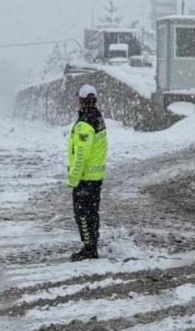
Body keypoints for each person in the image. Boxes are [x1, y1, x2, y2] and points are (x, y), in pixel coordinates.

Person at [67, 84, 107, 261]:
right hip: (96, 177)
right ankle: (92, 244)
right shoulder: (97, 117)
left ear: (82, 100)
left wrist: (73, 179)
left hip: (85, 177)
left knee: (82, 214)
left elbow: (81, 154)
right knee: (92, 212)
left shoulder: (85, 123)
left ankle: (89, 248)